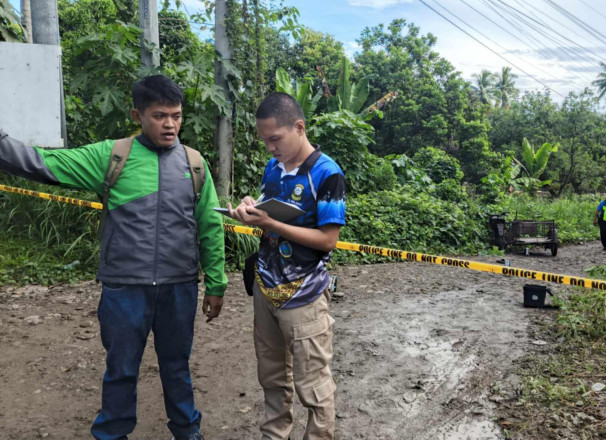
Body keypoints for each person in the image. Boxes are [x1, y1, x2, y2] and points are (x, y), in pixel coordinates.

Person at [0, 75, 227, 440]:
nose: (170, 125)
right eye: (159, 116)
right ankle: (112, 434)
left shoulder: (194, 164)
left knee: (177, 367)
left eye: (176, 116)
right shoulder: (112, 155)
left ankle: (187, 431)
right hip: (125, 289)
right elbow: (41, 162)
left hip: (179, 287)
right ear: (138, 115)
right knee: (121, 368)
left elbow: (210, 228)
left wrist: (216, 283)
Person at [228, 92, 346, 440]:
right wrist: (251, 207)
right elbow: (269, 207)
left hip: (305, 296)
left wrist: (272, 224)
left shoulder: (327, 174)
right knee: (272, 377)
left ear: (299, 127)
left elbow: (327, 241)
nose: (270, 148)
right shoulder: (273, 168)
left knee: (314, 385)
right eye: (265, 140)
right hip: (266, 289)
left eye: (275, 139)